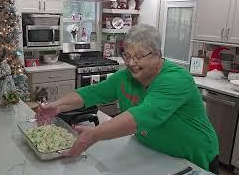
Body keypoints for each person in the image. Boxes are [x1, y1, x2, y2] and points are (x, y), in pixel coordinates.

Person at [35, 24, 219, 174]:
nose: (131, 63)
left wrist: (94, 134)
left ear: (157, 55)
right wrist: (57, 106)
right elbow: (91, 93)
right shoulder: (125, 77)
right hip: (151, 151)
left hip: (192, 159)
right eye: (127, 55)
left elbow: (144, 115)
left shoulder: (175, 79)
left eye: (139, 56)